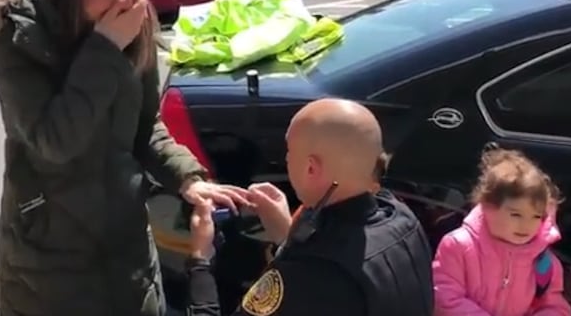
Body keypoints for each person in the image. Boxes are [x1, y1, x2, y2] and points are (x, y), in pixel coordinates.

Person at [0, 0, 248, 316]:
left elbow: (145, 123)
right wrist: (105, 48)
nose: (127, 2)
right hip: (49, 257)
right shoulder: (23, 36)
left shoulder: (137, 21)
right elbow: (54, 142)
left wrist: (186, 177)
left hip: (125, 247)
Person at [186, 98, 434, 315]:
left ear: (311, 168)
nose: (285, 159)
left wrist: (201, 261)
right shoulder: (404, 219)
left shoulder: (311, 273)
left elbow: (315, 279)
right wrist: (286, 239)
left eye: (290, 151)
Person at [432, 148, 571, 315]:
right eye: (516, 214)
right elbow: (444, 297)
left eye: (536, 217)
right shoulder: (458, 246)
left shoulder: (544, 261)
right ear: (488, 207)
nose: (526, 225)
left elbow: (554, 306)